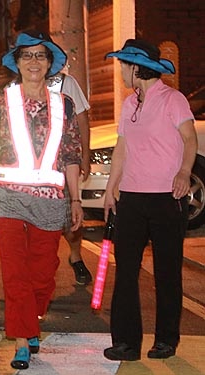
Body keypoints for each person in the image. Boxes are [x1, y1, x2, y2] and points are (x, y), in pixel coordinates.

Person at [0, 30, 83, 370]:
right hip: (7, 198)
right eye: (27, 56)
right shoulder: (1, 100)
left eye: (40, 56)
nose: (34, 62)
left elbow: (71, 153)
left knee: (42, 274)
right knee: (15, 273)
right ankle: (23, 340)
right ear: (18, 63)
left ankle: (30, 318)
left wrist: (75, 200)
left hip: (51, 201)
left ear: (49, 64)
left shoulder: (64, 104)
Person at [102, 39, 197, 361]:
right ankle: (126, 342)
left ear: (135, 67)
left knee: (166, 271)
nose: (121, 72)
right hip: (131, 197)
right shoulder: (130, 103)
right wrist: (112, 188)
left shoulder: (173, 99)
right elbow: (122, 148)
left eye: (123, 66)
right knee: (126, 270)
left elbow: (189, 138)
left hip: (166, 198)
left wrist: (184, 173)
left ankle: (166, 340)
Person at [48, 71, 93, 285]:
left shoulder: (66, 82)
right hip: (30, 171)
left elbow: (82, 118)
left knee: (70, 217)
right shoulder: (15, 85)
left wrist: (85, 155)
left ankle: (76, 257)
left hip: (63, 164)